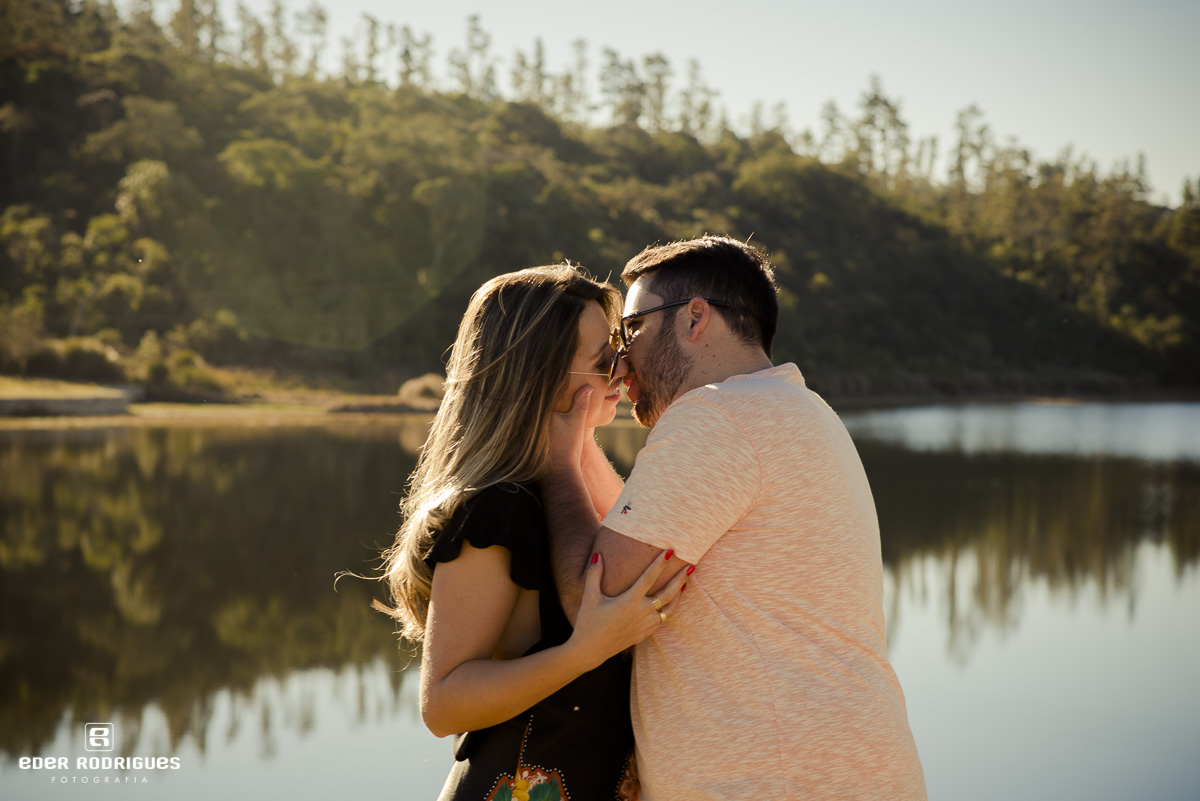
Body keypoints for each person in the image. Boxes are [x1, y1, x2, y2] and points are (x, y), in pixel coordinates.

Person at [541, 236, 928, 800]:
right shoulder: (798, 409)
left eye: (632, 330)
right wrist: (581, 441)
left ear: (695, 318)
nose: (621, 359)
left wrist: (555, 456)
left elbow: (592, 599)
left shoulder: (717, 417)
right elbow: (635, 538)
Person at [374, 265, 688, 801]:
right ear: (539, 377)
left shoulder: (559, 489)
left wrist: (572, 443)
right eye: (601, 361)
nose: (622, 369)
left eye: (617, 351)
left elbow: (625, 558)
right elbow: (443, 703)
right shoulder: (500, 509)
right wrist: (581, 653)